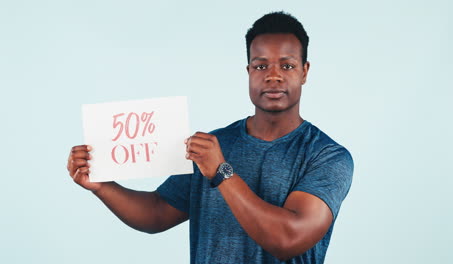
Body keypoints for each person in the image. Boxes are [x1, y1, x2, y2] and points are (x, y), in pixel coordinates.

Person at [67, 11, 353, 264]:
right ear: (249, 72)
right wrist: (102, 186)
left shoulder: (327, 156)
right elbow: (157, 213)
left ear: (305, 71)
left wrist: (221, 172)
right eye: (261, 66)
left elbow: (287, 240)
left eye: (287, 66)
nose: (273, 76)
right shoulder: (215, 145)